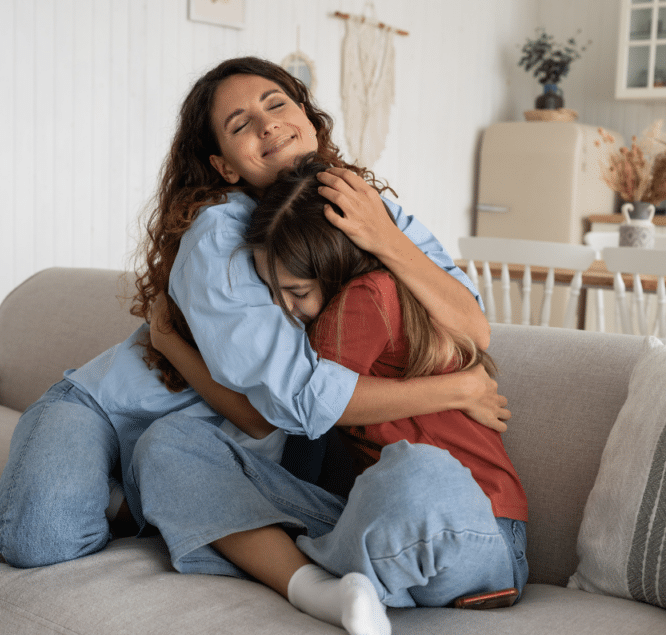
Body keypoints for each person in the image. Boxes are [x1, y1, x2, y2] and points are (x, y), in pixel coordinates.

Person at [0, 55, 508, 573]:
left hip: (210, 449)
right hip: (114, 408)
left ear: (308, 116)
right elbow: (284, 406)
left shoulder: (371, 208)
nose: (267, 124)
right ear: (225, 166)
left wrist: (385, 239)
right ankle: (61, 486)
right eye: (239, 125)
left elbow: (473, 329)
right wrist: (459, 389)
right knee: (41, 538)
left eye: (277, 103)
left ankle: (127, 502)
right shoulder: (222, 231)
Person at [134, 155, 528, 635]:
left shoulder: (364, 300)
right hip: (374, 523)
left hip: (474, 531)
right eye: (273, 293)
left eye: (296, 292)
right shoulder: (345, 307)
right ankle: (322, 585)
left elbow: (300, 411)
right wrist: (456, 389)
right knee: (170, 442)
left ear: (335, 266)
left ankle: (294, 562)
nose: (286, 308)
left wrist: (173, 345)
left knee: (418, 470)